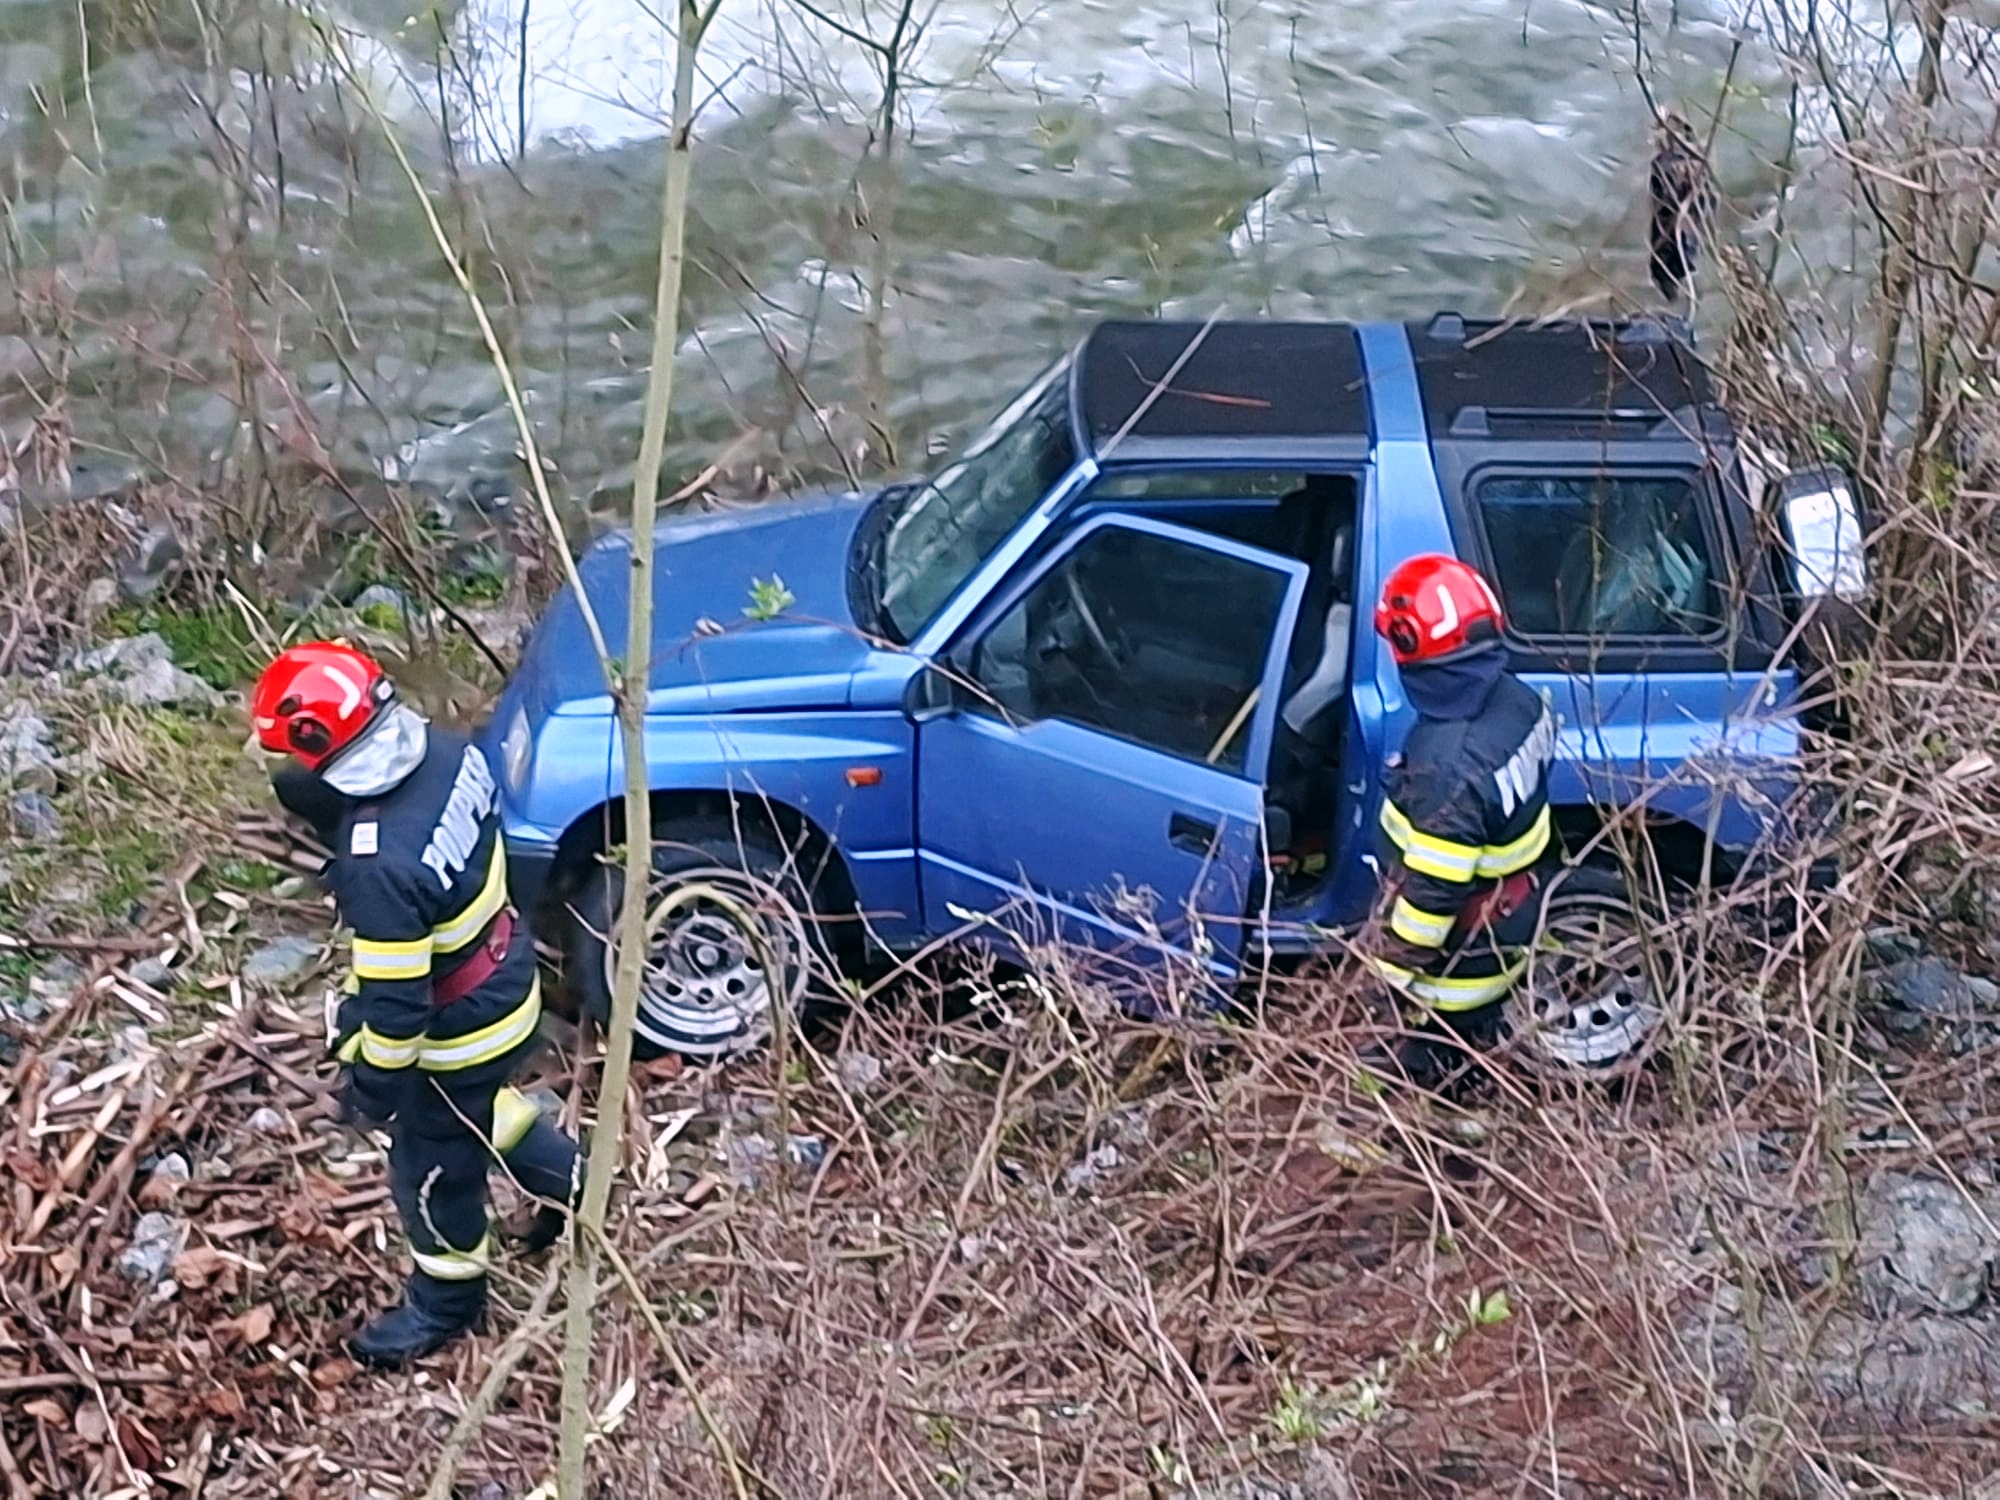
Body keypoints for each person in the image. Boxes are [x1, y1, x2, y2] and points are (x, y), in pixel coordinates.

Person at [250, 641, 580, 1367]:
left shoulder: (379, 870)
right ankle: (572, 1180)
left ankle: (447, 1303)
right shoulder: (449, 751)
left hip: (457, 1032)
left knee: (430, 1166)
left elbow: (397, 1012)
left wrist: (370, 1091)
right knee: (481, 1106)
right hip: (506, 980)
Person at [1361, 555, 1557, 1084]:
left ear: (1409, 644)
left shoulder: (1447, 769)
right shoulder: (1520, 700)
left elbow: (1432, 899)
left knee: (1431, 1072)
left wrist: (1383, 983)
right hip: (1512, 913)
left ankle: (1440, 1130)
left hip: (1458, 964)